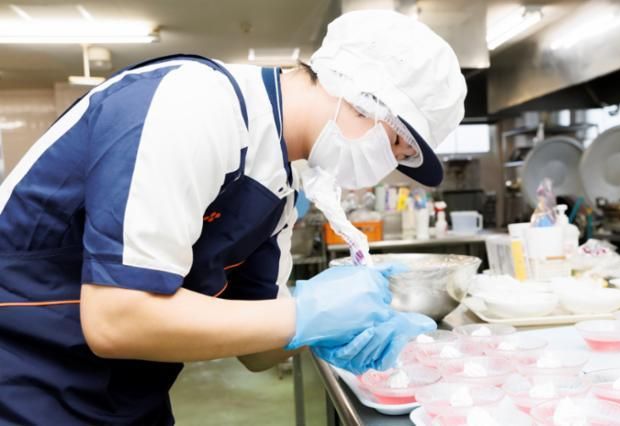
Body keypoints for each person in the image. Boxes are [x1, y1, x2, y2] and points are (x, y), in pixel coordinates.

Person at [0, 9, 465, 425]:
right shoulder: (194, 103)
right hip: (23, 385)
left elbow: (257, 352)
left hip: (124, 398)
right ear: (363, 96)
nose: (388, 166)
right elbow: (116, 320)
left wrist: (334, 327)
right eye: (397, 146)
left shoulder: (279, 188)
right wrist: (305, 314)